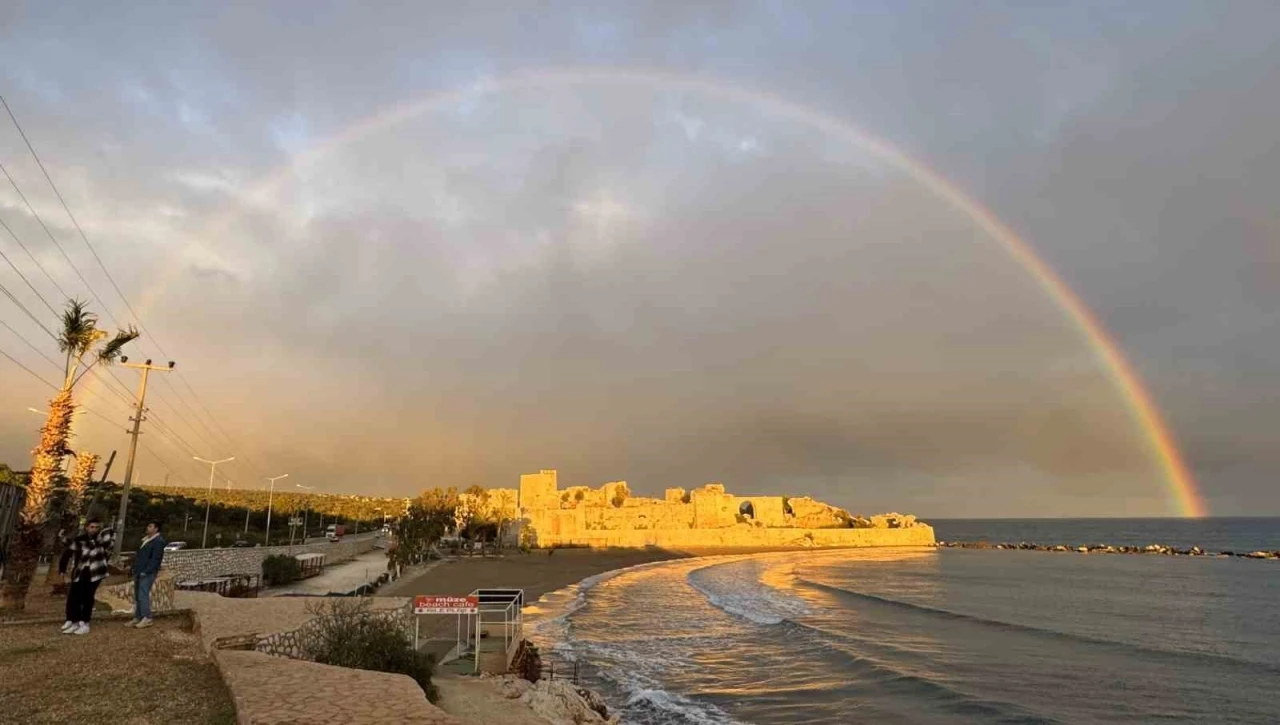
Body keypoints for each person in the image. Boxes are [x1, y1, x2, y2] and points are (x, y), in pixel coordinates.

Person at [58, 517, 115, 635]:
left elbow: (109, 536)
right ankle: (74, 620)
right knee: (75, 596)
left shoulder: (101, 540)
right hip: (81, 570)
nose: (94, 529)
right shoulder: (81, 540)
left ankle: (85, 622)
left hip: (95, 572)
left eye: (96, 527)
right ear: (86, 528)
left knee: (87, 596)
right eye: (92, 527)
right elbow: (72, 548)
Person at [131, 520, 166, 628]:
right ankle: (139, 616)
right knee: (137, 595)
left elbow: (156, 559)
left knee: (143, 594)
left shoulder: (158, 541)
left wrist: (147, 571)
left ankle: (147, 617)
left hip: (147, 572)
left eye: (150, 526)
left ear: (156, 529)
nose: (147, 527)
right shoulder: (146, 540)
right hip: (139, 571)